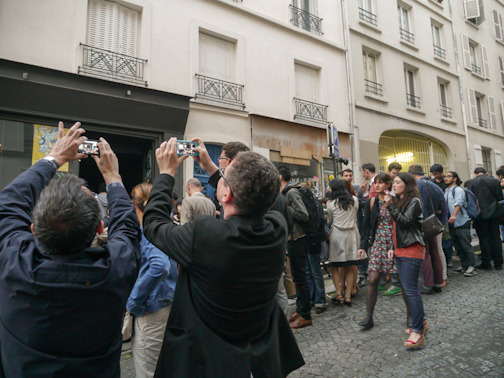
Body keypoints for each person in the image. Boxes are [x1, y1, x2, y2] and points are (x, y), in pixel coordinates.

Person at [142, 138, 304, 377]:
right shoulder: (276, 228)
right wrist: (211, 168)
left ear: (226, 192)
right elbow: (259, 196)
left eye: (223, 173)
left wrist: (166, 173)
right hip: (258, 358)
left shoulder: (205, 234)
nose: (220, 173)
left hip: (208, 361)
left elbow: (153, 224)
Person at [0, 122, 141, 377]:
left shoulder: (14, 262)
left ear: (33, 229)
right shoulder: (115, 270)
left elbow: (8, 203)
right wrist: (113, 177)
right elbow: (128, 229)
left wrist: (53, 158)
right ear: (100, 227)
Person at [127, 182, 178, 378]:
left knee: (148, 370)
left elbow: (160, 266)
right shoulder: (168, 227)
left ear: (134, 204)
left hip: (153, 310)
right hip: (168, 304)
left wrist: (134, 301)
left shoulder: (149, 230)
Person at [382, 173, 427, 348]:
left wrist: (390, 206)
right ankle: (420, 322)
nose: (394, 185)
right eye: (393, 182)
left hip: (412, 249)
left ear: (407, 185)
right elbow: (396, 228)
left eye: (398, 182)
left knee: (411, 290)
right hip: (401, 249)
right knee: (408, 290)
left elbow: (406, 222)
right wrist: (393, 247)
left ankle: (417, 331)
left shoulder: (414, 201)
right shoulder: (399, 202)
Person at [358, 174, 399, 329]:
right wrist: (362, 246)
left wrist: (391, 205)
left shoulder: (396, 200)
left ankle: (412, 316)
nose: (376, 185)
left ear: (388, 185)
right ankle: (369, 317)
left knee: (402, 281)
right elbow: (366, 226)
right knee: (373, 279)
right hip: (378, 243)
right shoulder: (371, 202)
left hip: (394, 243)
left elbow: (400, 222)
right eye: (375, 183)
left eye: (381, 183)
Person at [278, 166, 313, 329]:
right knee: (298, 277)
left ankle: (306, 315)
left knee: (300, 277)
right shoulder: (284, 193)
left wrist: (288, 209)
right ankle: (300, 310)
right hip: (292, 239)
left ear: (279, 177)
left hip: (299, 238)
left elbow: (304, 215)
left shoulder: (291, 193)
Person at [408, 165, 448, 295]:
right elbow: (443, 206)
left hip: (420, 224)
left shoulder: (416, 186)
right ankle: (437, 283)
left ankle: (428, 285)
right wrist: (441, 221)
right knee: (435, 253)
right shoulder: (435, 185)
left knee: (424, 254)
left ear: (413, 175)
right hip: (433, 224)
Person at [326, 179, 361, 306]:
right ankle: (348, 296)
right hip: (352, 234)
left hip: (337, 235)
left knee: (335, 265)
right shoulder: (354, 200)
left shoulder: (330, 203)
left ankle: (339, 293)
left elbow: (330, 220)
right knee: (351, 264)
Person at [466, 167, 504, 270]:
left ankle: (486, 263)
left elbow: (470, 200)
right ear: (486, 173)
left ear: (475, 174)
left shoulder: (471, 183)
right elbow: (500, 197)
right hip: (494, 214)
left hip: (480, 214)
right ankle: (498, 263)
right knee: (496, 237)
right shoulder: (495, 181)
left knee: (483, 238)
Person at [301, 181, 328, 315]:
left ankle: (316, 299)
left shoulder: (305, 204)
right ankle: (319, 300)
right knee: (315, 271)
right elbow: (322, 221)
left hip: (306, 240)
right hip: (315, 241)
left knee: (310, 271)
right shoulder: (316, 203)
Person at [443, 172, 477, 277]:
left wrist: (453, 215)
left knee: (465, 245)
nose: (445, 178)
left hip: (462, 221)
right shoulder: (446, 191)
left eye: (448, 176)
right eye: (445, 176)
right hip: (451, 223)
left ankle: (471, 266)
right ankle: (464, 265)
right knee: (458, 246)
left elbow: (459, 203)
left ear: (455, 178)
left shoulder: (458, 190)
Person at [342, 168, 367, 287]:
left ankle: (362, 273)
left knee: (359, 248)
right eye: (346, 175)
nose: (348, 177)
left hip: (356, 222)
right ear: (342, 177)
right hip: (342, 225)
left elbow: (363, 204)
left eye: (350, 175)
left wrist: (357, 197)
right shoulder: (338, 189)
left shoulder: (356, 189)